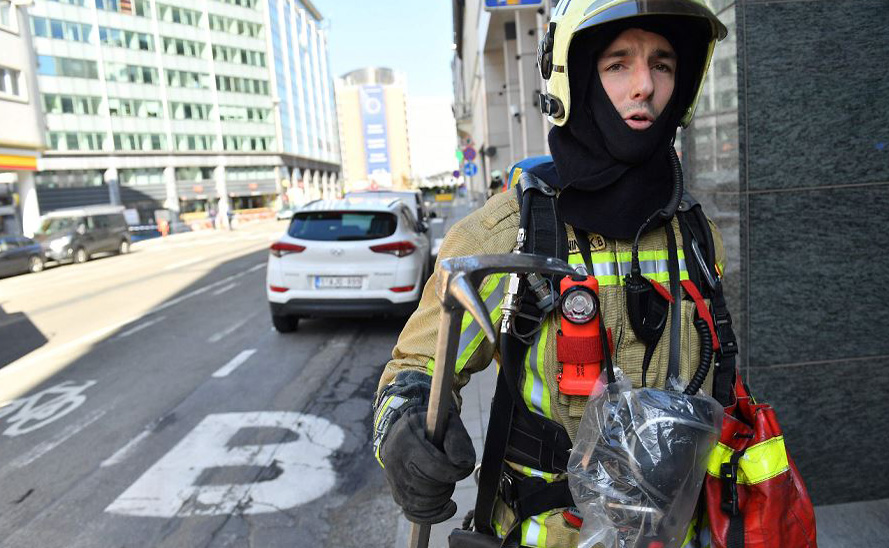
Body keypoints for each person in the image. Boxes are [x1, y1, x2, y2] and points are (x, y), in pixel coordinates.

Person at [373, 1, 730, 547]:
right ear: (575, 76)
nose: (644, 86)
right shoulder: (504, 234)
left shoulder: (697, 237)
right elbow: (416, 366)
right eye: (617, 64)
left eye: (662, 64)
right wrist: (404, 430)